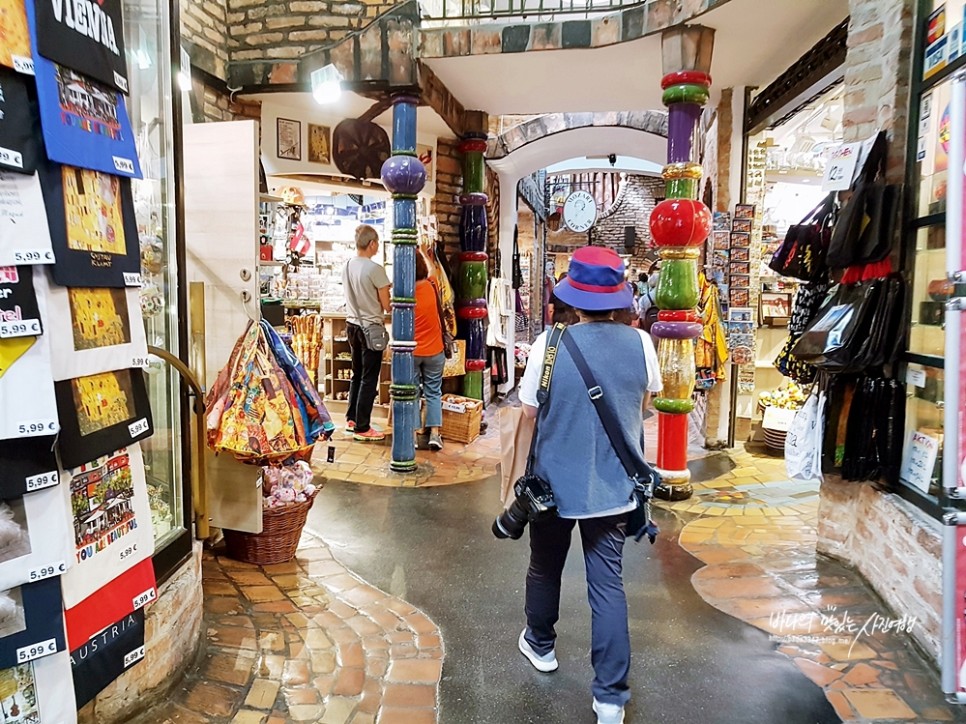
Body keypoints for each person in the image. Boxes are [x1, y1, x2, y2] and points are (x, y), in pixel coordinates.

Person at [515, 246, 662, 724]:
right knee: (607, 584)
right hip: (613, 487)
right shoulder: (641, 345)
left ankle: (540, 644)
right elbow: (642, 408)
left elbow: (530, 416)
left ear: (573, 298)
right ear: (618, 297)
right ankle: (610, 698)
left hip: (553, 486)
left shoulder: (548, 345)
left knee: (545, 567)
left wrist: (513, 479)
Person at [343, 225, 391, 442]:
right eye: (377, 243)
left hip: (352, 325)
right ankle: (363, 427)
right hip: (370, 329)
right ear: (371, 243)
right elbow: (387, 305)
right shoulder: (375, 269)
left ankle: (352, 418)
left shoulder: (347, 265)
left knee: (357, 373)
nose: (377, 247)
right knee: (369, 378)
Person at [414, 251, 446, 451]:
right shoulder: (432, 284)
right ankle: (435, 434)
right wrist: (425, 253)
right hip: (435, 350)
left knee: (411, 395)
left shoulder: (403, 292)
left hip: (412, 352)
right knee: (434, 392)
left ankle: (413, 436)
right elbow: (432, 269)